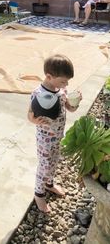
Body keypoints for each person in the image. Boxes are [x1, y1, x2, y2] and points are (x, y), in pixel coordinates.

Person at [27, 54, 81, 213]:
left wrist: (75, 102)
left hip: (58, 136)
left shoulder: (61, 90)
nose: (66, 84)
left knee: (54, 161)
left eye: (67, 81)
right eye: (63, 81)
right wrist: (35, 121)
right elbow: (30, 115)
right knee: (44, 166)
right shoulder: (38, 94)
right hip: (45, 139)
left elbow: (70, 109)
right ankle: (39, 194)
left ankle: (49, 184)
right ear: (49, 77)